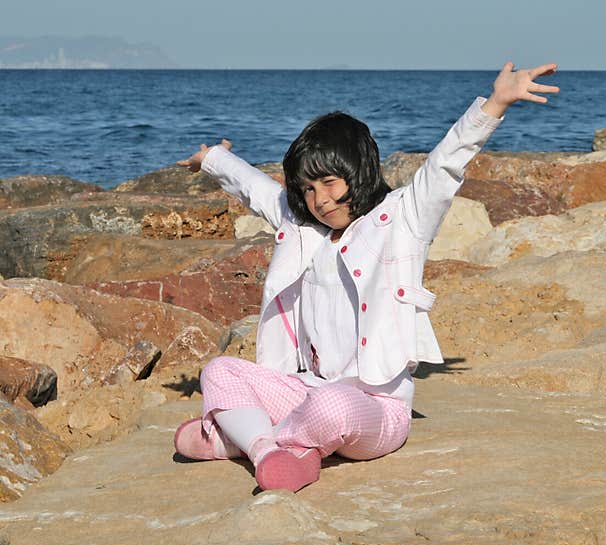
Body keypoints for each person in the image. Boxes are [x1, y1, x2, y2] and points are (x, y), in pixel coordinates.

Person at [172, 62, 560, 493]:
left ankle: (232, 439)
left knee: (332, 406)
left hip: (375, 409)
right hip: (304, 389)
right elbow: (258, 190)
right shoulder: (305, 228)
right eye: (308, 190)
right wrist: (212, 159)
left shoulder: (401, 220)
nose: (320, 200)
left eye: (329, 183)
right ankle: (269, 452)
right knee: (221, 370)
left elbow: (444, 166)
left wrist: (496, 103)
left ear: (357, 172)